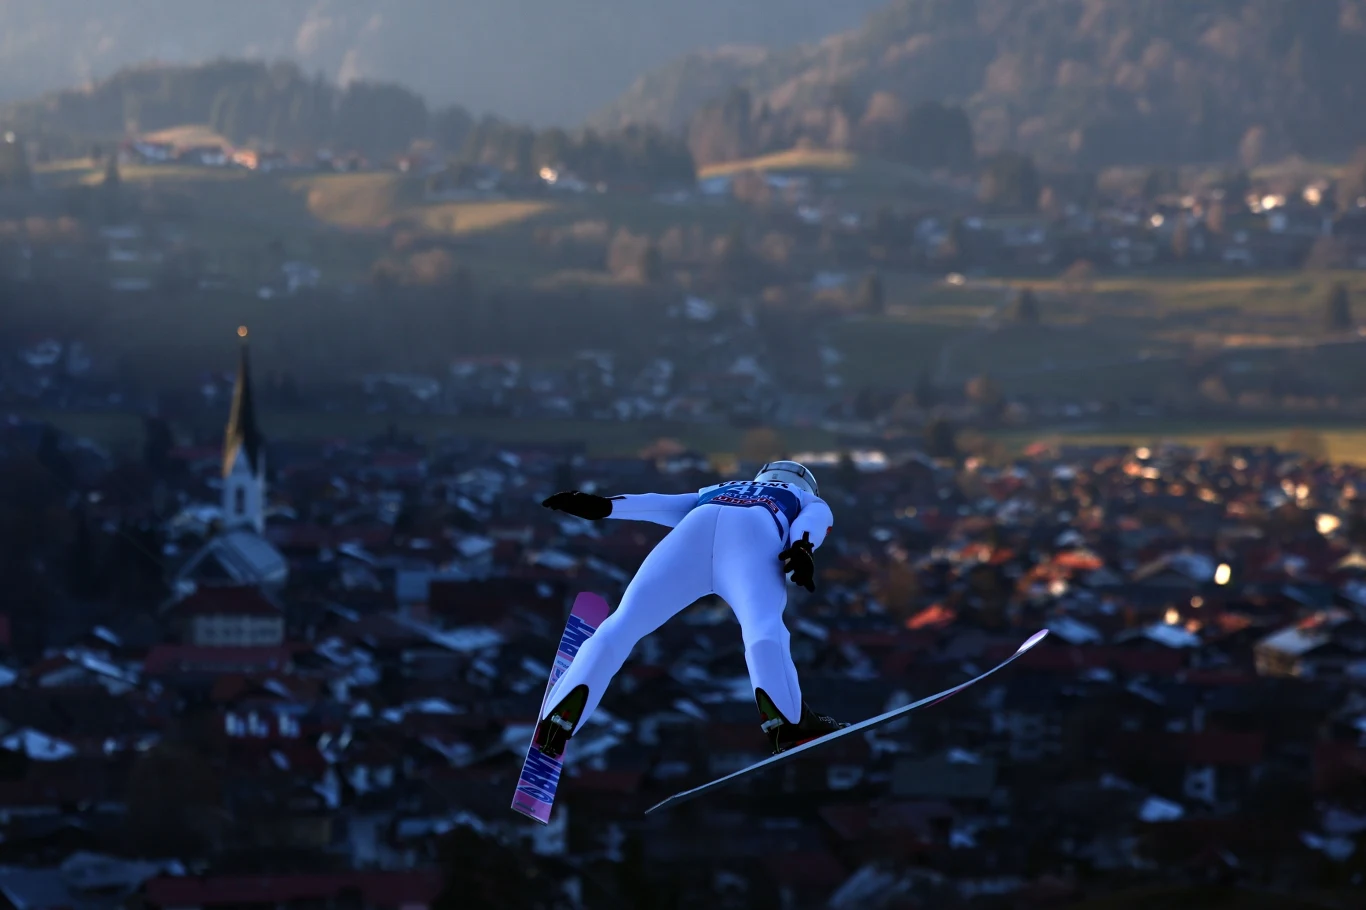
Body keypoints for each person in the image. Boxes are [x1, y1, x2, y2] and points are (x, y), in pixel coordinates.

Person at [533, 460, 845, 759]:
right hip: (753, 535)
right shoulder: (804, 497)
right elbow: (812, 522)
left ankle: (558, 715)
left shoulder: (721, 487)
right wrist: (803, 547)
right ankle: (786, 723)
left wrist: (605, 506)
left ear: (761, 476)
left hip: (693, 529)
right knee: (762, 629)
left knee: (623, 624)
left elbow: (660, 504)